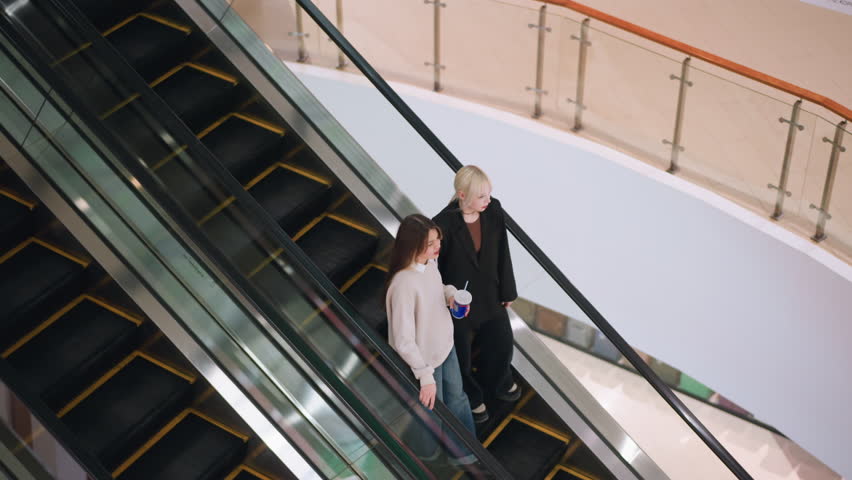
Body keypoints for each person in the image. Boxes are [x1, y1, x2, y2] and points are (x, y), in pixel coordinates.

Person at [433, 166, 520, 424]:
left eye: (488, 194)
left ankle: (499, 383)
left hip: (490, 293)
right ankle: (472, 397)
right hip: (458, 300)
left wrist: (508, 289)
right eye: (481, 196)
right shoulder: (442, 224)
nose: (488, 200)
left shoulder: (493, 211)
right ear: (462, 195)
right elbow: (434, 269)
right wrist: (445, 300)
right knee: (460, 352)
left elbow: (503, 251)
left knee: (502, 342)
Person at [385, 214, 476, 459]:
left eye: (438, 240)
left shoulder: (430, 264)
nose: (438, 247)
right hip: (424, 361)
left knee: (457, 399)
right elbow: (402, 339)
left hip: (445, 347)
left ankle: (466, 455)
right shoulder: (403, 283)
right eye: (431, 243)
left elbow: (438, 289)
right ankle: (425, 458)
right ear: (413, 245)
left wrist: (450, 295)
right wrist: (425, 375)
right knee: (430, 413)